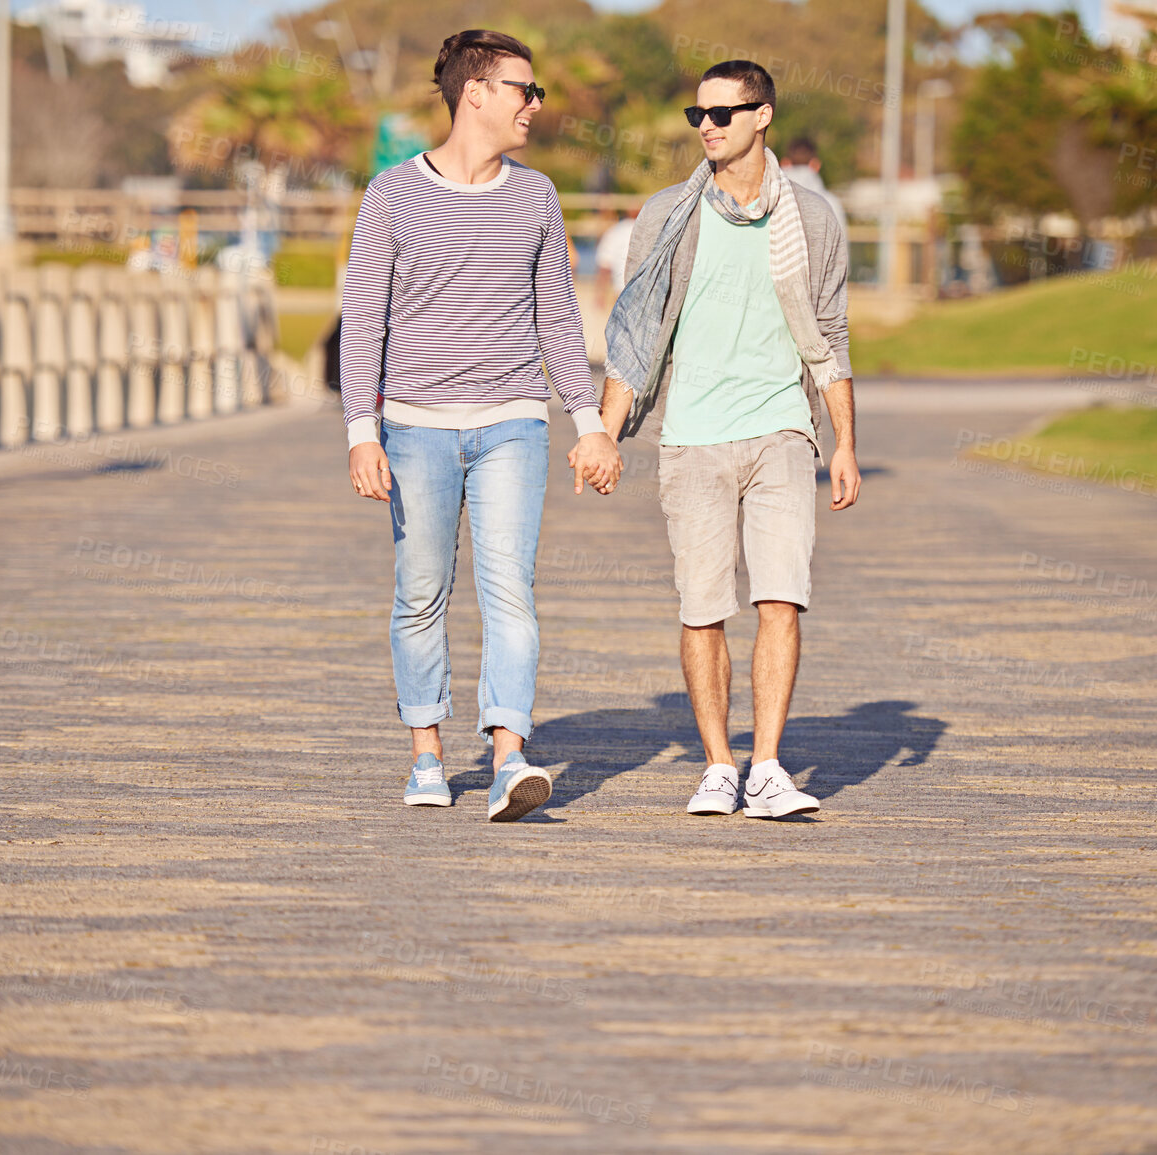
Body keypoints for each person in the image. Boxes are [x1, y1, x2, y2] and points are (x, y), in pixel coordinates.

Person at [342, 29, 623, 821]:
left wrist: (588, 423)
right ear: (475, 93)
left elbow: (558, 322)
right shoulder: (392, 195)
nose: (534, 105)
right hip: (414, 427)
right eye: (521, 90)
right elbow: (362, 321)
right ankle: (426, 755)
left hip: (511, 423)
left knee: (511, 592)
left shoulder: (536, 196)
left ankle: (509, 758)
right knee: (421, 592)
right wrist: (360, 431)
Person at [600, 59, 860, 820]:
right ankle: (719, 765)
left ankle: (769, 765)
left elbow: (831, 337)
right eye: (697, 115)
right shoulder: (666, 215)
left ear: (762, 116)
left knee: (780, 597)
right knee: (702, 606)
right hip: (691, 437)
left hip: (781, 426)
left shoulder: (811, 220)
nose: (706, 126)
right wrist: (605, 433)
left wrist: (842, 441)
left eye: (722, 113)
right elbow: (637, 332)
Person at [781, 137, 847, 227]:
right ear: (816, 164)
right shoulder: (831, 203)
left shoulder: (771, 200)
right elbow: (841, 239)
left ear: (785, 163)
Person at [594, 208, 636, 310]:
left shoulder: (614, 231)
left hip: (620, 289)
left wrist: (600, 295)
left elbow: (605, 265)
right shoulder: (650, 230)